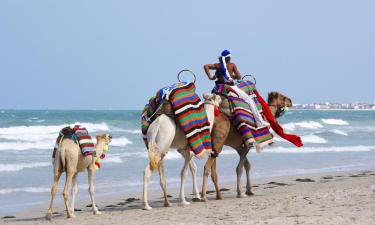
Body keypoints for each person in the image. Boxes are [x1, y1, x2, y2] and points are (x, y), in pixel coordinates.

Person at [204, 50, 269, 128]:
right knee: (249, 100)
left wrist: (210, 77)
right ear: (229, 58)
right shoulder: (232, 65)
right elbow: (238, 77)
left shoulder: (217, 65)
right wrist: (232, 76)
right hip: (230, 87)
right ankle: (260, 122)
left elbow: (206, 66)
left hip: (218, 88)